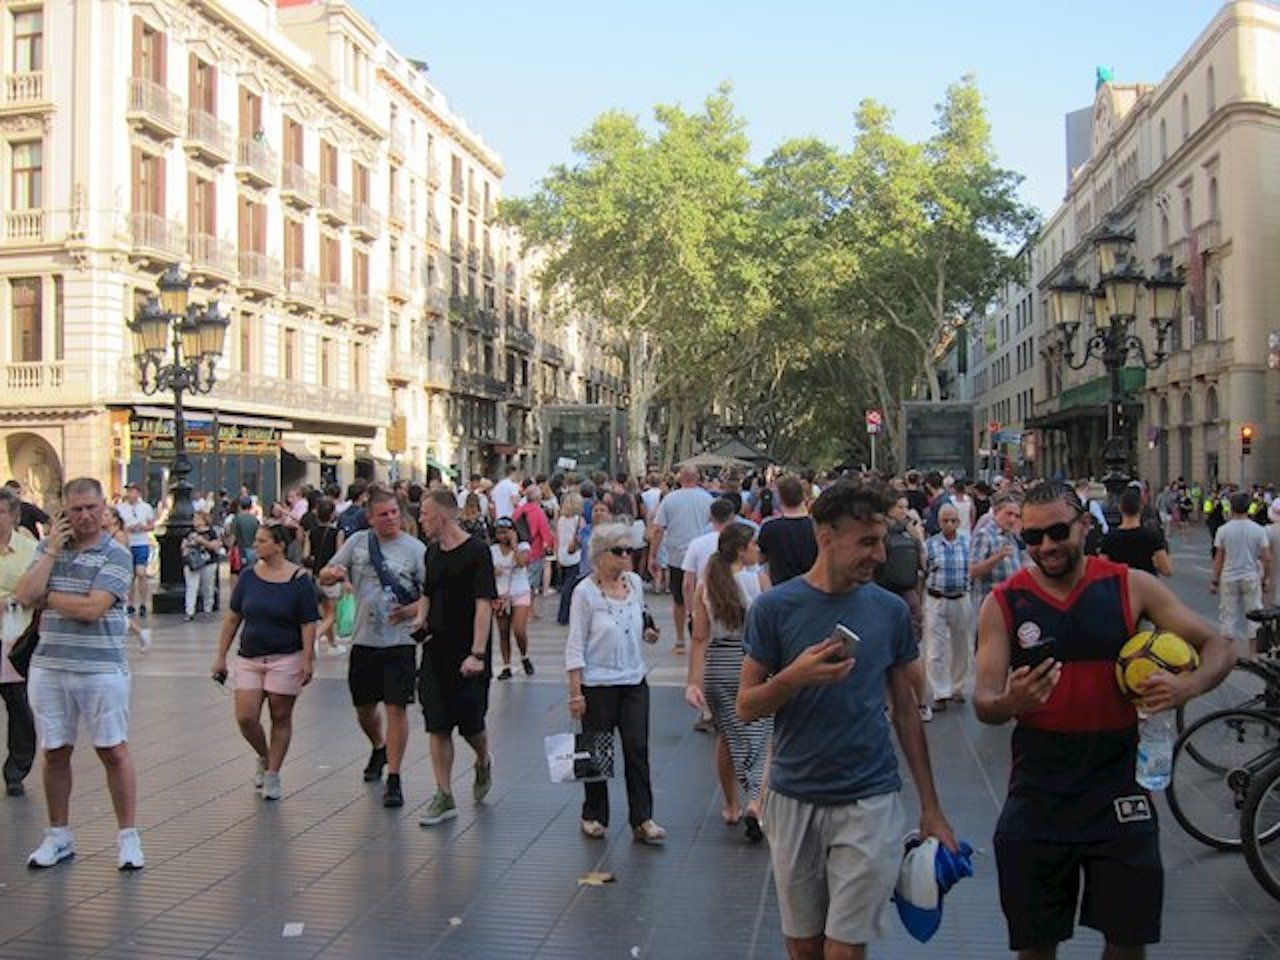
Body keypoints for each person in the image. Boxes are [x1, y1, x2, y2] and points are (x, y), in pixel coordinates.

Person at [974, 480, 1234, 960]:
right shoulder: (1004, 603)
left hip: (1118, 786)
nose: (1046, 546)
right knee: (1034, 945)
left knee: (1127, 940)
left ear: (1085, 526)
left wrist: (1186, 688)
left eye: (1057, 531)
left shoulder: (1129, 586)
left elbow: (1219, 644)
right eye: (1032, 538)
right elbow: (984, 702)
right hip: (1039, 790)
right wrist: (1011, 702)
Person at [738, 480, 956, 959]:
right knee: (804, 946)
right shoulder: (773, 609)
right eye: (867, 542)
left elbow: (905, 712)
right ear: (825, 537)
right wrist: (793, 677)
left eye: (881, 541)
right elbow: (746, 705)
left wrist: (931, 807)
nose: (880, 556)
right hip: (793, 797)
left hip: (869, 799)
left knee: (843, 949)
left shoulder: (891, 611)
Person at [15, 478, 145, 870]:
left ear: (104, 506)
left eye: (91, 507)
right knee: (54, 751)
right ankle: (59, 835)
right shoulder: (47, 548)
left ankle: (128, 837)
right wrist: (52, 550)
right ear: (63, 512)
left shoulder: (116, 554)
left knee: (113, 750)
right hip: (50, 667)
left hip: (100, 668)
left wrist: (48, 597)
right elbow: (23, 594)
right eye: (76, 509)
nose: (85, 516)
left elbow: (93, 609)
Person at [319, 489, 426, 808]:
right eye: (384, 514)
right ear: (371, 518)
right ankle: (378, 746)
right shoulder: (357, 544)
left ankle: (394, 777)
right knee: (364, 708)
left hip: (400, 642)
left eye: (395, 512)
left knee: (396, 707)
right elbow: (326, 576)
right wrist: (331, 574)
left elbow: (431, 595)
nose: (391, 518)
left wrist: (411, 611)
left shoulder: (415, 550)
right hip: (364, 640)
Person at [567, 523, 666, 844]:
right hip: (597, 683)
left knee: (637, 748)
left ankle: (643, 818)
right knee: (597, 751)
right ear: (600, 555)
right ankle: (593, 814)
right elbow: (575, 643)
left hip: (634, 679)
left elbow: (641, 617)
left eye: (630, 550)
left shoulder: (635, 584)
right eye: (620, 551)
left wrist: (648, 631)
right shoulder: (584, 592)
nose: (627, 556)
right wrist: (575, 692)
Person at [212, 524, 319, 800]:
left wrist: (308, 658)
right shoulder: (249, 577)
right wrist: (221, 656)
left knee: (280, 715)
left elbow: (308, 622)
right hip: (250, 655)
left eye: (262, 541)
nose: (256, 546)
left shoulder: (299, 580)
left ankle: (273, 773)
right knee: (246, 717)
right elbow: (233, 618)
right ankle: (264, 755)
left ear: (279, 545)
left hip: (287, 655)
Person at [415, 491, 497, 826]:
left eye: (424, 513)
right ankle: (444, 794)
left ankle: (482, 759)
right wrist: (420, 620)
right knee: (437, 723)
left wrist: (477, 653)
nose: (420, 519)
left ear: (442, 516)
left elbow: (484, 603)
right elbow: (427, 592)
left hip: (468, 651)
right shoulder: (431, 553)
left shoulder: (477, 552)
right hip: (436, 649)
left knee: (470, 725)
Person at [686, 522, 771, 842]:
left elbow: (699, 637)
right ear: (740, 549)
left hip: (717, 668)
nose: (758, 550)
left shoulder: (707, 585)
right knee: (762, 735)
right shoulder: (758, 580)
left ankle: (731, 804)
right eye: (754, 545)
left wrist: (693, 681)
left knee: (727, 732)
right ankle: (756, 800)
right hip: (752, 662)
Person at [647, 466, 713, 653]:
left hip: (677, 556)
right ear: (698, 478)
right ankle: (702, 636)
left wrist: (652, 555)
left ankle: (680, 639)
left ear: (680, 479)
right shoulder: (708, 499)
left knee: (678, 600)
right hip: (703, 557)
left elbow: (658, 529)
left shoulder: (669, 499)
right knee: (704, 597)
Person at [0, 487, 37, 796]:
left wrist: (12, 600)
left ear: (13, 516)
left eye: (1, 513)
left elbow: (38, 589)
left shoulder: (29, 549)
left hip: (15, 638)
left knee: (17, 704)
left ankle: (16, 770)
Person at [922, 504, 972, 720]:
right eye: (945, 521)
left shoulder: (967, 542)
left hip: (961, 598)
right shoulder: (930, 545)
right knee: (935, 648)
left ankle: (958, 686)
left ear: (959, 521)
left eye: (953, 520)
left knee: (962, 645)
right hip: (937, 599)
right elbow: (923, 571)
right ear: (939, 522)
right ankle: (940, 691)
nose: (949, 524)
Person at [1211, 491, 1272, 657]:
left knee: (1228, 615)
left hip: (1229, 576)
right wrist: (1266, 579)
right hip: (1251, 575)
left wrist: (1214, 580)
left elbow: (1219, 558)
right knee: (1254, 615)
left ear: (1231, 508)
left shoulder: (1223, 530)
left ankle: (1226, 654)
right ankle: (1253, 654)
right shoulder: (1259, 530)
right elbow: (1267, 557)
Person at [491, 517, 534, 680]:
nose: (502, 536)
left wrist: (514, 545)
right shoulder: (493, 550)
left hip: (519, 590)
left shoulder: (523, 547)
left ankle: (524, 655)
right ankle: (506, 665)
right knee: (503, 631)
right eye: (499, 533)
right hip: (501, 593)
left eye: (506, 532)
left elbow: (522, 563)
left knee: (519, 629)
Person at [757, 475, 819, 588]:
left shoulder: (769, 528)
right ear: (803, 496)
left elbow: (761, 559)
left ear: (780, 498)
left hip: (780, 589)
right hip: (812, 588)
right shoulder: (817, 527)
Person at [970, 492, 1026, 614]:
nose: (1012, 519)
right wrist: (998, 557)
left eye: (1017, 516)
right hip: (990, 606)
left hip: (1011, 603)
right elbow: (972, 571)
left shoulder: (1011, 536)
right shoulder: (985, 534)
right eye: (1008, 514)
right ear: (996, 512)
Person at [302, 499, 345, 656]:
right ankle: (316, 637)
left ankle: (332, 644)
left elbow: (305, 556)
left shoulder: (310, 533)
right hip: (331, 576)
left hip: (315, 576)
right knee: (331, 615)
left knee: (326, 611)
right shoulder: (337, 533)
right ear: (332, 514)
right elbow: (340, 556)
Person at [1100, 489, 1173, 577]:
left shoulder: (1110, 538)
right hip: (1145, 585)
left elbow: (1102, 570)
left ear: (1120, 508)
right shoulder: (1152, 536)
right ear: (1141, 508)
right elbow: (1167, 570)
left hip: (1120, 586)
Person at [116, 482, 155, 618]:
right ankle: (131, 603)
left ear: (138, 493)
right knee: (130, 575)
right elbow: (117, 525)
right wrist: (128, 528)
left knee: (141, 572)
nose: (130, 494)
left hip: (141, 543)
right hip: (127, 543)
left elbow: (151, 525)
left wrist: (142, 527)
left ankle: (143, 602)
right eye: (128, 491)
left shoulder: (146, 507)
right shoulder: (121, 508)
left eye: (133, 491)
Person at [513, 480, 554, 599]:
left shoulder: (519, 510)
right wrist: (549, 546)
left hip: (520, 549)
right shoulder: (538, 511)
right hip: (535, 550)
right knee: (531, 582)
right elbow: (545, 532)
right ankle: (529, 609)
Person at [181, 512, 222, 621]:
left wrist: (202, 541)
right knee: (191, 586)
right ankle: (189, 611)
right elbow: (183, 546)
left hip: (208, 562)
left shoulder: (212, 532)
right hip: (193, 564)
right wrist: (187, 546)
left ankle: (207, 609)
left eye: (197, 519)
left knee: (208, 587)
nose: (195, 521)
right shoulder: (189, 532)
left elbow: (216, 546)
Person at [556, 491, 586, 625]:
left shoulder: (561, 520)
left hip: (562, 554)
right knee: (572, 585)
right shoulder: (579, 520)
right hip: (575, 554)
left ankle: (563, 614)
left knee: (566, 584)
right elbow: (582, 537)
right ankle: (568, 614)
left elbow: (557, 538)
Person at [227, 497, 260, 582]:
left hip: (241, 550)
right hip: (253, 550)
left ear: (239, 506)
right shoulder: (255, 520)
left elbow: (233, 537)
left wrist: (230, 549)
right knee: (252, 574)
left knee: (239, 574)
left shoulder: (237, 519)